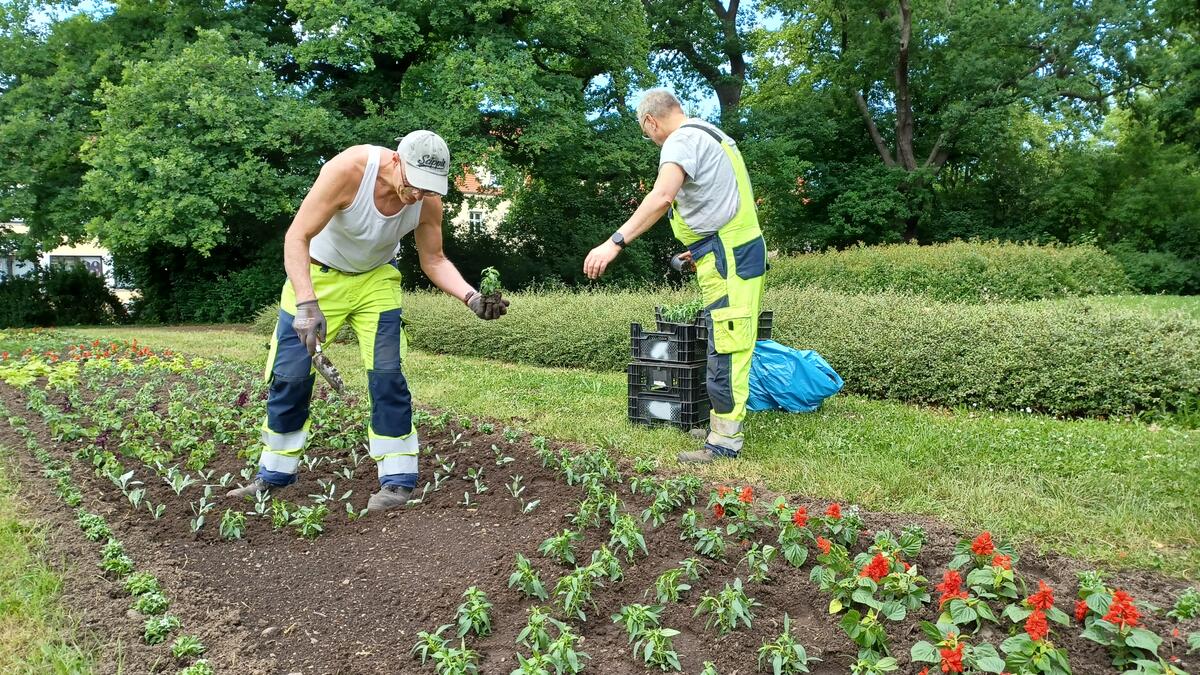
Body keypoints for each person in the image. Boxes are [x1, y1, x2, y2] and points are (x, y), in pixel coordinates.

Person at [228, 131, 509, 511]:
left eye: (428, 189)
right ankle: (275, 473)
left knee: (387, 375)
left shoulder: (427, 200)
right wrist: (308, 304)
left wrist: (471, 296)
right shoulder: (348, 170)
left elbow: (435, 260)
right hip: (315, 276)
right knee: (291, 376)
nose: (417, 195)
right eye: (413, 185)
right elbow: (297, 237)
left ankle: (397, 482)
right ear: (396, 161)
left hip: (376, 281)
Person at [583, 90, 766, 463]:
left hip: (729, 255)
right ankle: (719, 426)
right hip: (728, 249)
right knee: (724, 339)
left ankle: (724, 445)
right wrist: (698, 246)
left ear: (651, 121)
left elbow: (663, 195)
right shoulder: (709, 133)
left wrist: (613, 243)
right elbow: (720, 200)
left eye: (646, 132)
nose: (650, 139)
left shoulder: (680, 140)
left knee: (728, 346)